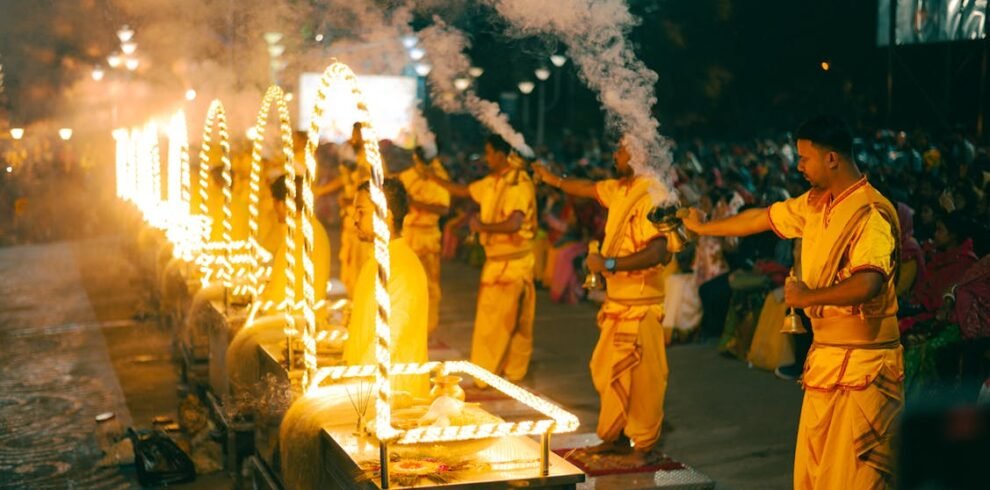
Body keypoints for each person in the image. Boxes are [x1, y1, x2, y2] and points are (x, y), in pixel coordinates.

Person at [682, 115, 902, 489]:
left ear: (832, 158)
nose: (798, 166)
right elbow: (760, 219)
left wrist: (806, 298)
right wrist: (705, 228)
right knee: (817, 472)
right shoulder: (815, 204)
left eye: (804, 158)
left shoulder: (871, 213)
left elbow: (868, 284)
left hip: (865, 366)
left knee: (854, 476)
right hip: (825, 361)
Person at [534, 138, 671, 465]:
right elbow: (585, 188)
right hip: (616, 303)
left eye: (621, 150)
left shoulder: (652, 194)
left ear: (637, 154)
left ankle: (643, 445)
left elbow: (659, 249)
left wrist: (609, 265)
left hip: (641, 307)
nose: (614, 155)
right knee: (606, 370)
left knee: (643, 379)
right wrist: (552, 179)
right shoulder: (620, 189)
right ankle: (617, 437)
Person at [426, 134, 537, 384]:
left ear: (500, 154)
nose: (486, 158)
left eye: (488, 153)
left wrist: (482, 226)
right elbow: (464, 191)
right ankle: (508, 372)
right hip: (499, 263)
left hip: (511, 265)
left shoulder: (517, 183)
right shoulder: (494, 181)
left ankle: (487, 375)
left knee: (496, 324)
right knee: (508, 322)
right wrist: (433, 178)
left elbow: (514, 223)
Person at [344, 178, 430, 397]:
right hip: (364, 388)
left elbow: (386, 342)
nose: (354, 219)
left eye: (361, 211)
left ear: (386, 216)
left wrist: (350, 385)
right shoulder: (377, 260)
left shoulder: (403, 268)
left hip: (394, 396)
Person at [397, 147, 450, 335]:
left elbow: (444, 209)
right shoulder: (406, 176)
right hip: (408, 235)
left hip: (428, 237)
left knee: (429, 285)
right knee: (405, 282)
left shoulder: (439, 178)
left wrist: (415, 203)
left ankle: (428, 327)